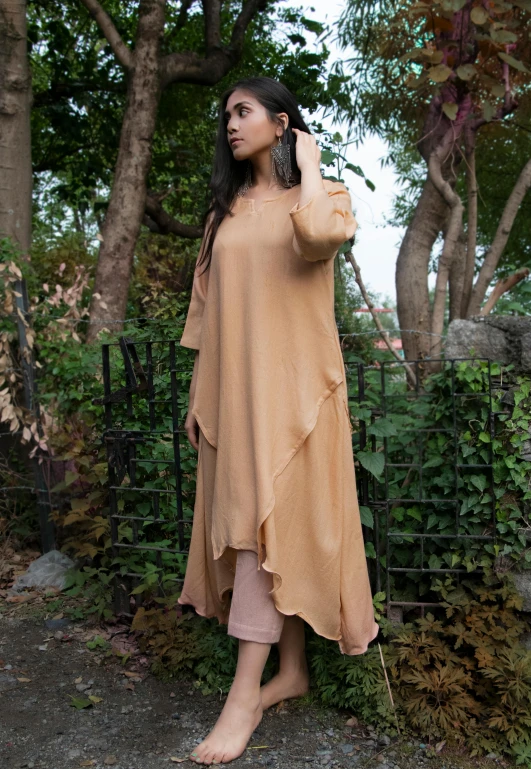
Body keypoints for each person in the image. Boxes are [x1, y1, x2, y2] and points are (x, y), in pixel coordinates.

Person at [178, 76, 380, 766]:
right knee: (260, 531)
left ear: (280, 122)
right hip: (236, 400)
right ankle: (289, 672)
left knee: (271, 527)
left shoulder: (318, 198)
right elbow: (204, 321)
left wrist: (312, 164)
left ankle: (243, 698)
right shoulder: (224, 212)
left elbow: (321, 238)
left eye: (242, 112)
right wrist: (198, 400)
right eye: (225, 115)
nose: (230, 125)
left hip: (299, 399)